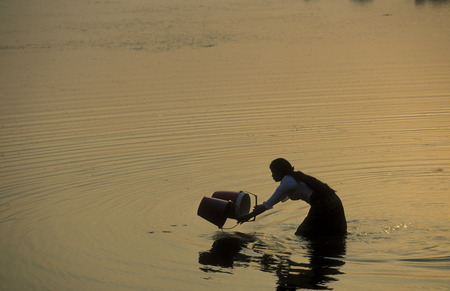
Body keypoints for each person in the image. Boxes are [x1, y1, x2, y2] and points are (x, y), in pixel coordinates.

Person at [237, 158, 347, 237]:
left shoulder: (287, 182)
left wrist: (248, 216)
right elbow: (273, 201)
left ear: (279, 172)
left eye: (273, 172)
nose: (272, 176)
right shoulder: (295, 177)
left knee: (302, 234)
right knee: (336, 232)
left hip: (322, 205)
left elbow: (269, 204)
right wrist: (260, 208)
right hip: (334, 201)